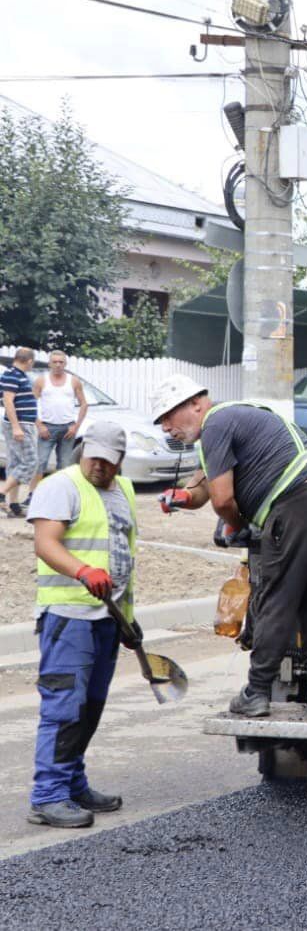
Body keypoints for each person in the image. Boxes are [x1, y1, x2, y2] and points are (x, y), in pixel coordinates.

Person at [149, 375, 307, 718]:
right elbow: (203, 488)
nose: (167, 428)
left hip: (298, 503)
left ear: (196, 404)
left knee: (276, 601)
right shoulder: (234, 418)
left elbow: (223, 498)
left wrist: (238, 523)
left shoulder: (215, 423)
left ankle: (257, 691)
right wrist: (183, 497)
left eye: (169, 416)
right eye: (161, 422)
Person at [26, 420, 139, 828]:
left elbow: (123, 555)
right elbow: (46, 543)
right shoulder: (61, 485)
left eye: (109, 462)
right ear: (81, 450)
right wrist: (82, 571)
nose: (100, 467)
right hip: (68, 616)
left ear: (120, 461)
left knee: (90, 706)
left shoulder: (124, 491)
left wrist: (127, 618)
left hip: (106, 619)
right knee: (64, 708)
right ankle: (48, 794)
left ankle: (72, 783)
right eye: (94, 458)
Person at [34, 350, 88, 478]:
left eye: (61, 362)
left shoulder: (73, 381)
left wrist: (76, 426)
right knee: (40, 463)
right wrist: (39, 425)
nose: (58, 365)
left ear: (65, 364)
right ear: (49, 364)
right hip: (47, 427)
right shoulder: (41, 380)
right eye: (55, 362)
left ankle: (61, 493)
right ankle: (33, 494)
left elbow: (84, 404)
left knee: (65, 465)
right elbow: (31, 405)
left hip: (67, 428)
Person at [3, 347, 40, 517]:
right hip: (20, 424)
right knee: (30, 462)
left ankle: (14, 503)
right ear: (30, 361)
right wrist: (16, 426)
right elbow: (8, 401)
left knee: (16, 462)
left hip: (24, 423)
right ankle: (2, 493)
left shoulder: (16, 374)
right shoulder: (13, 375)